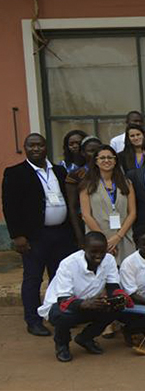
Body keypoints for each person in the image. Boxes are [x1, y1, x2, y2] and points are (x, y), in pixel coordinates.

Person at [3, 133, 77, 336]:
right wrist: (17, 235)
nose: (36, 149)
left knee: (60, 277)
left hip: (61, 234)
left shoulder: (59, 171)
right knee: (33, 278)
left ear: (46, 147)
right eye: (31, 145)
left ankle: (59, 315)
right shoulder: (15, 173)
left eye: (40, 145)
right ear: (25, 148)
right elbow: (10, 206)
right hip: (34, 236)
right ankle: (33, 320)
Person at [39, 232, 124, 362]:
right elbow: (63, 300)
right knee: (62, 315)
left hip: (90, 303)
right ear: (83, 248)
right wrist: (85, 304)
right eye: (93, 252)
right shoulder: (68, 264)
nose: (98, 256)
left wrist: (118, 298)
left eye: (102, 252)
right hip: (61, 306)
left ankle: (86, 338)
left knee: (115, 308)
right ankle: (62, 345)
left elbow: (113, 286)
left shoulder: (109, 260)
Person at [79, 145, 137, 263]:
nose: (107, 160)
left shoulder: (126, 183)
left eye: (110, 157)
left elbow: (132, 213)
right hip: (98, 239)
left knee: (126, 273)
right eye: (102, 158)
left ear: (115, 161)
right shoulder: (87, 185)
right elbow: (86, 215)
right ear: (96, 161)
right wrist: (105, 241)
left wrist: (117, 237)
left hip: (123, 236)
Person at [66, 137, 103, 245]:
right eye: (91, 151)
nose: (95, 154)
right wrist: (79, 235)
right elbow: (72, 207)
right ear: (82, 153)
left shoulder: (110, 173)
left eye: (98, 151)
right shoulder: (75, 175)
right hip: (84, 223)